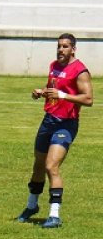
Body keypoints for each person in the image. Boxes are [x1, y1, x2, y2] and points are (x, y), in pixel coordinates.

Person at [18, 33, 93, 228]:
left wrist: (63, 95)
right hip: (48, 120)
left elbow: (88, 99)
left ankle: (54, 215)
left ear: (73, 49)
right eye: (59, 46)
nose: (61, 50)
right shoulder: (54, 65)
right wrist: (41, 92)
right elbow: (52, 88)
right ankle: (31, 205)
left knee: (52, 166)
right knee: (38, 165)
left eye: (65, 46)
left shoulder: (80, 71)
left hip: (66, 124)